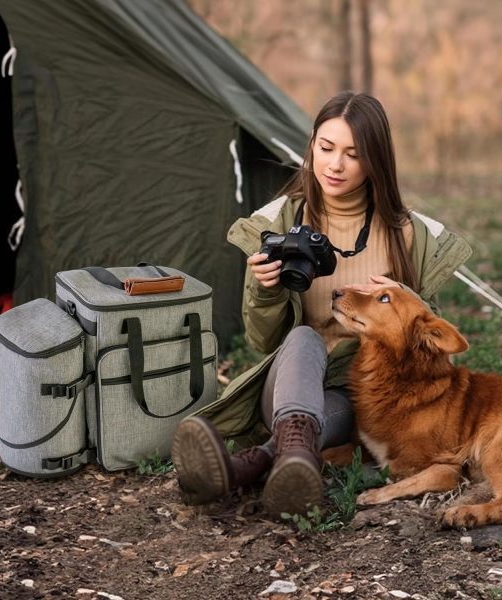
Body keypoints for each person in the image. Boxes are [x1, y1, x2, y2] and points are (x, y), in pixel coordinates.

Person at [170, 91, 472, 517]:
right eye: (326, 148)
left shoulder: (407, 234)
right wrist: (267, 290)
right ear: (311, 145)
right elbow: (261, 340)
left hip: (363, 392)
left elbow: (429, 339)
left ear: (375, 160)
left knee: (336, 407)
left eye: (353, 153)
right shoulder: (280, 221)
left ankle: (250, 466)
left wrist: (411, 300)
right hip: (289, 380)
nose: (335, 164)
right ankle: (287, 460)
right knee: (303, 337)